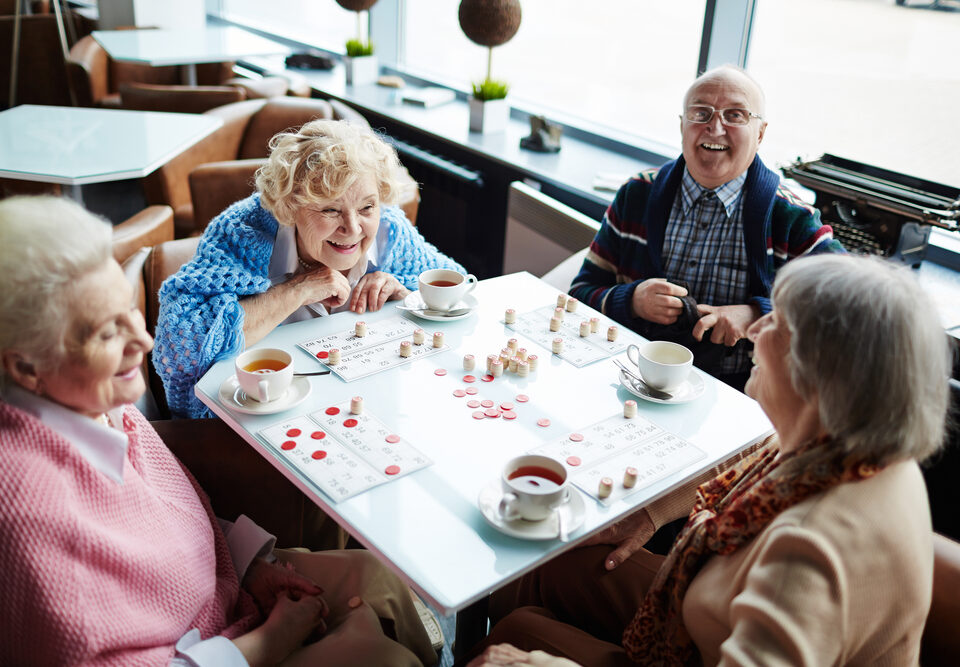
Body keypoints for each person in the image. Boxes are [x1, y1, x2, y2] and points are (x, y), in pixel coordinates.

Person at [0, 196, 437, 666]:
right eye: (106, 333)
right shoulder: (28, 509)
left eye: (129, 311)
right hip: (216, 651)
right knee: (386, 659)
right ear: (26, 366)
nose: (143, 341)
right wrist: (270, 642)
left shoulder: (94, 401)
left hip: (224, 597)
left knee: (378, 577)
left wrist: (252, 568)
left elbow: (171, 519)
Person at [473, 253, 950, 666]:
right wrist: (648, 513)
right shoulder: (849, 443)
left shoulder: (808, 552)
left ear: (823, 377)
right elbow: (741, 456)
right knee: (553, 562)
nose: (755, 329)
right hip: (707, 612)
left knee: (515, 634)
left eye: (778, 324)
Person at [155, 119, 465, 418]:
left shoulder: (390, 231)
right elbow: (180, 344)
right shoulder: (240, 232)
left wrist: (406, 295)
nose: (353, 228)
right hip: (261, 416)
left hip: (364, 403)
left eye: (367, 207)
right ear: (290, 207)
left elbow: (457, 294)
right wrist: (295, 291)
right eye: (330, 209)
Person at [569, 65, 844, 390]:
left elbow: (844, 312)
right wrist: (631, 300)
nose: (715, 127)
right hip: (632, 378)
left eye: (735, 115)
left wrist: (759, 315)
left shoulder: (791, 217)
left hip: (738, 394)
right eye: (701, 113)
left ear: (760, 132)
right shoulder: (637, 194)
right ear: (682, 125)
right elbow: (579, 294)